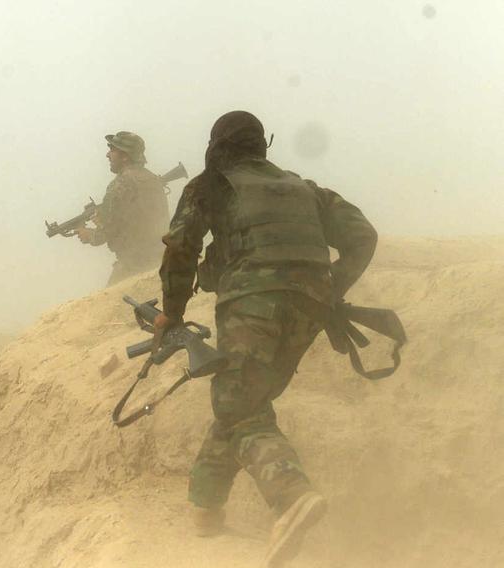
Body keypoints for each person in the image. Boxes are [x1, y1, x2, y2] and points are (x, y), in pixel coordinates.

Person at [153, 111, 378, 566]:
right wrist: (332, 289)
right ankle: (206, 510)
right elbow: (362, 235)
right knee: (243, 400)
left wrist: (171, 315)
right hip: (310, 308)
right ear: (262, 145)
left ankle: (290, 494)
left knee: (238, 405)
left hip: (253, 302)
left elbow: (180, 248)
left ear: (216, 145)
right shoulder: (302, 187)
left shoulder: (209, 184)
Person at [76, 131, 170, 285]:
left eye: (112, 150)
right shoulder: (152, 178)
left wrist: (89, 235)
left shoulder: (121, 183)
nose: (108, 155)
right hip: (162, 256)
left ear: (125, 156)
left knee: (108, 306)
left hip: (135, 264)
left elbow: (107, 232)